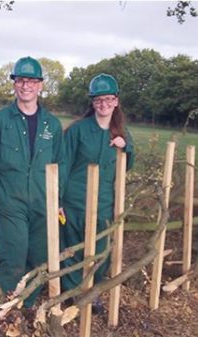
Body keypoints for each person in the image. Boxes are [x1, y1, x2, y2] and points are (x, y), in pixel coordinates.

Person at [0, 56, 64, 308]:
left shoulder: (52, 124)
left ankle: (25, 307)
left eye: (31, 81)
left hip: (43, 203)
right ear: (14, 84)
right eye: (20, 80)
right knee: (13, 257)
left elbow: (59, 164)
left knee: (39, 258)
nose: (25, 86)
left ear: (41, 85)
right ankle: (1, 310)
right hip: (12, 202)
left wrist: (57, 201)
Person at [59, 73, 134, 310]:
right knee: (73, 248)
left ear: (116, 102)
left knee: (101, 250)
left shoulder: (120, 132)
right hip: (75, 201)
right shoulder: (78, 131)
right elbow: (63, 164)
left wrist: (127, 146)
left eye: (108, 99)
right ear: (92, 103)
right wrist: (58, 199)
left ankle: (93, 290)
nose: (103, 104)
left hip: (103, 202)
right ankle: (73, 292)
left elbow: (127, 165)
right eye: (98, 100)